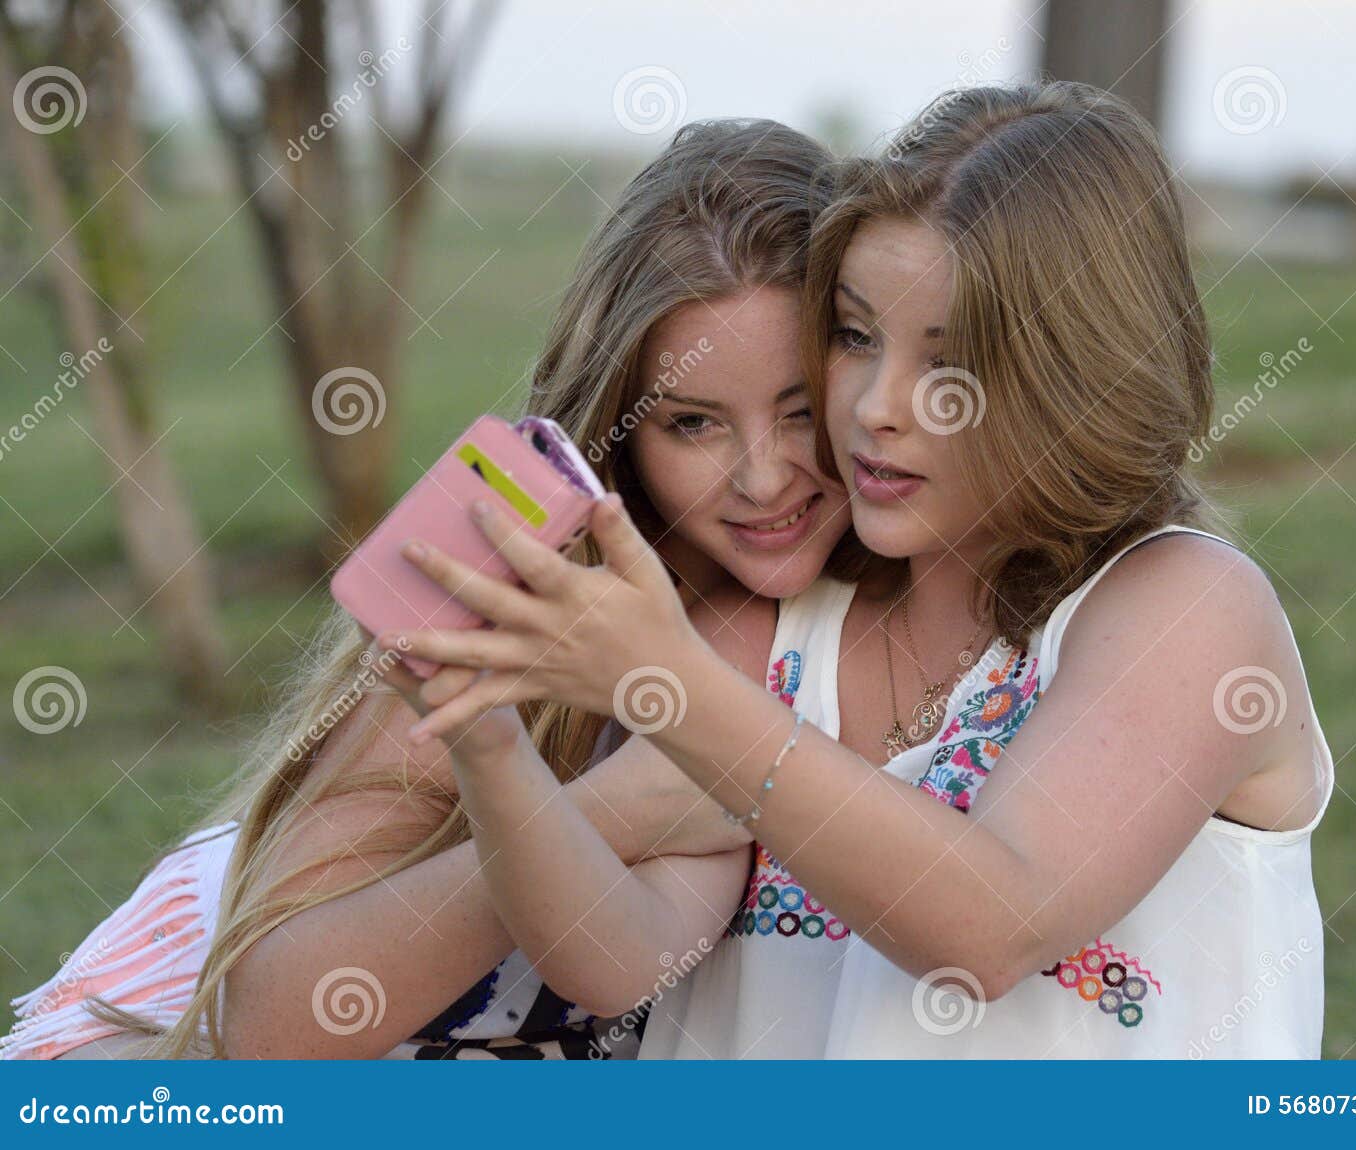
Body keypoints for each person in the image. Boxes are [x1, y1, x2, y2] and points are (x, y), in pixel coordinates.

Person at [386, 82, 1334, 1059]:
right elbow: (620, 956)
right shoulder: (774, 631)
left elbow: (992, 926)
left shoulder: (1182, 609)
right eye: (853, 334)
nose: (878, 405)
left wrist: (665, 686)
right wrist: (489, 741)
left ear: (1078, 372)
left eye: (948, 358)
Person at [3, 118, 852, 1060]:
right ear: (622, 424)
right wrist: (619, 803)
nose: (765, 477)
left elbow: (630, 957)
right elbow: (273, 1027)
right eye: (693, 423)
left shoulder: (811, 629)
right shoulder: (506, 599)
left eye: (803, 410)